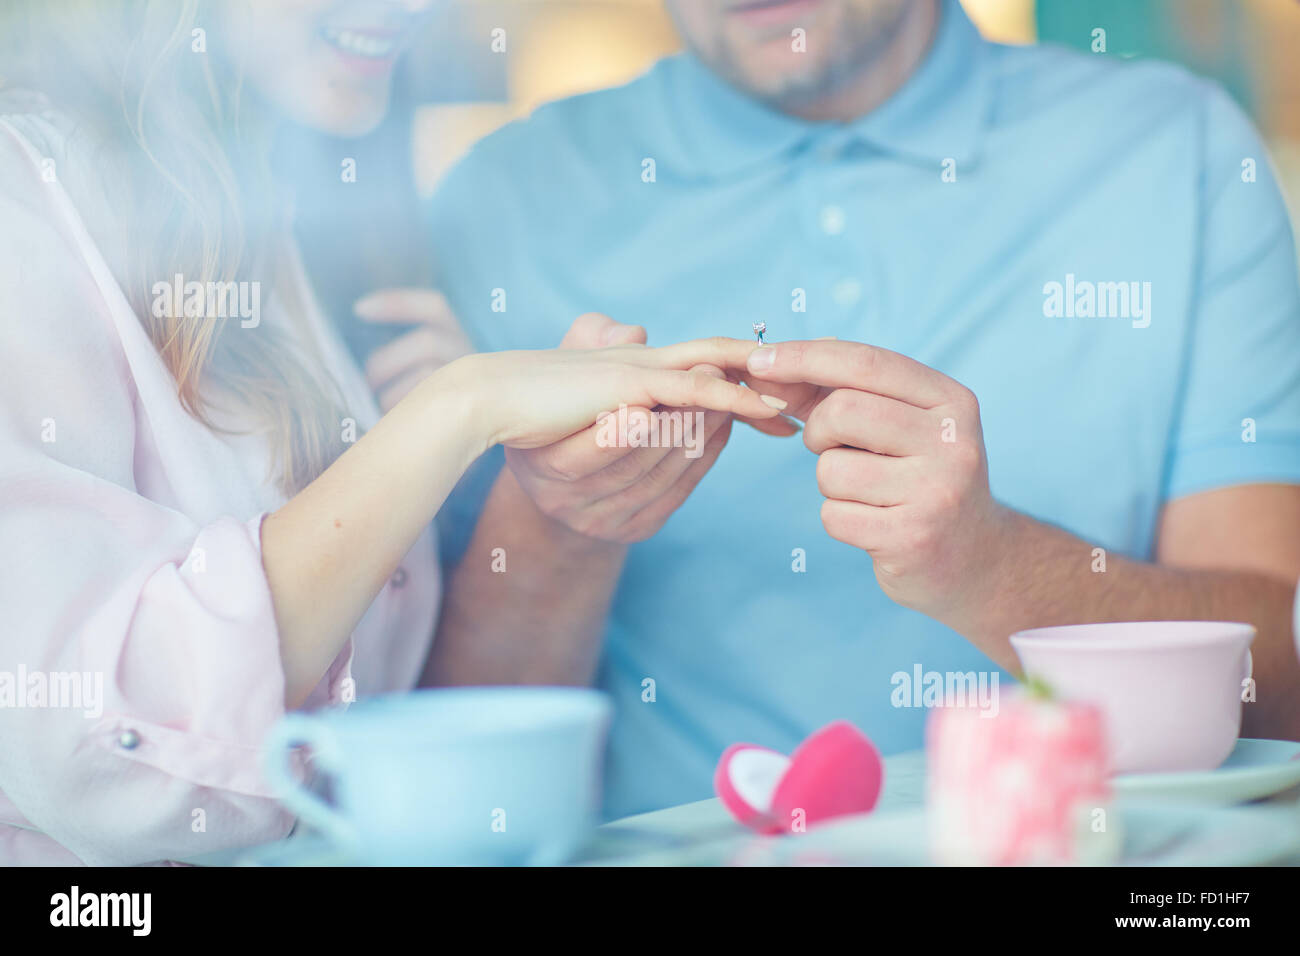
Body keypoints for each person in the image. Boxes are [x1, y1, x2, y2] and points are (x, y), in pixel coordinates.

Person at [424, 0, 1300, 819]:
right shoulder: (499, 202)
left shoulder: (1176, 153)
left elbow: (1280, 685)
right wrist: (565, 524)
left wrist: (989, 566)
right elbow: (443, 773)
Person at [0, 0, 785, 865]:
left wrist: (556, 510)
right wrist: (452, 412)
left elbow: (400, 747)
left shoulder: (319, 215)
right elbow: (101, 765)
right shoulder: (22, 208)